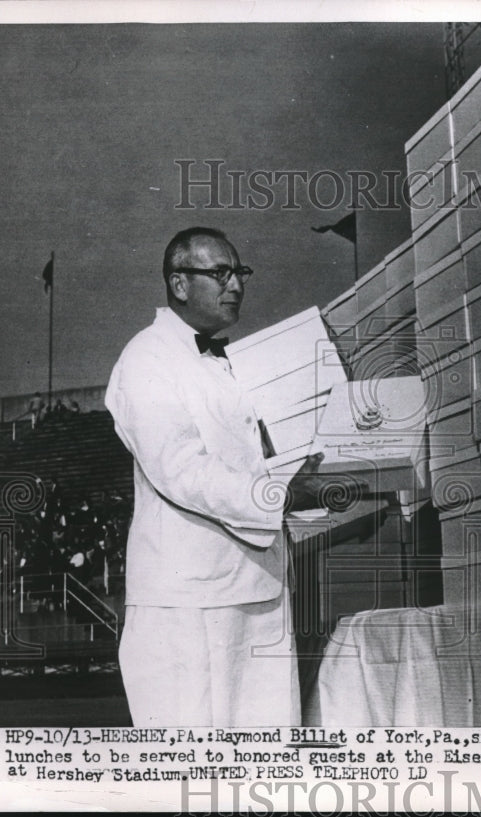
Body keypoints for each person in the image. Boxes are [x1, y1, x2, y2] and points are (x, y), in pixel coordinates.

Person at [105, 226, 321, 727]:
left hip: (260, 591)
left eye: (239, 273)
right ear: (179, 283)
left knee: (266, 754)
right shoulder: (145, 358)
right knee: (192, 758)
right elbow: (181, 469)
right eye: (220, 273)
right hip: (189, 605)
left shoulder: (230, 365)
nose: (236, 285)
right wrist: (280, 495)